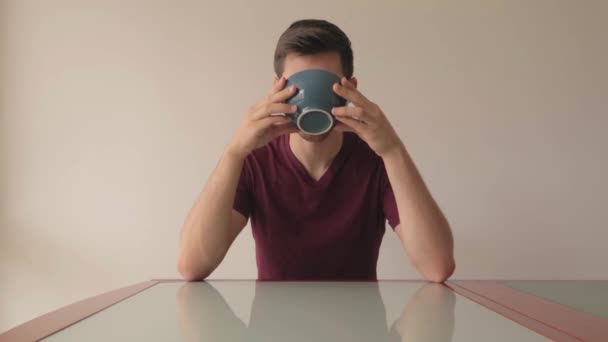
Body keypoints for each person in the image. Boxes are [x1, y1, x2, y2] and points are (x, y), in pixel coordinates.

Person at [177, 19, 455, 282]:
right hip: (276, 328)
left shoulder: (376, 158)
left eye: (324, 84)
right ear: (278, 88)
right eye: (298, 85)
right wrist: (234, 152)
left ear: (351, 88)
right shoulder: (255, 159)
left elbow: (436, 267)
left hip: (358, 329)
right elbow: (192, 266)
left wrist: (393, 150)